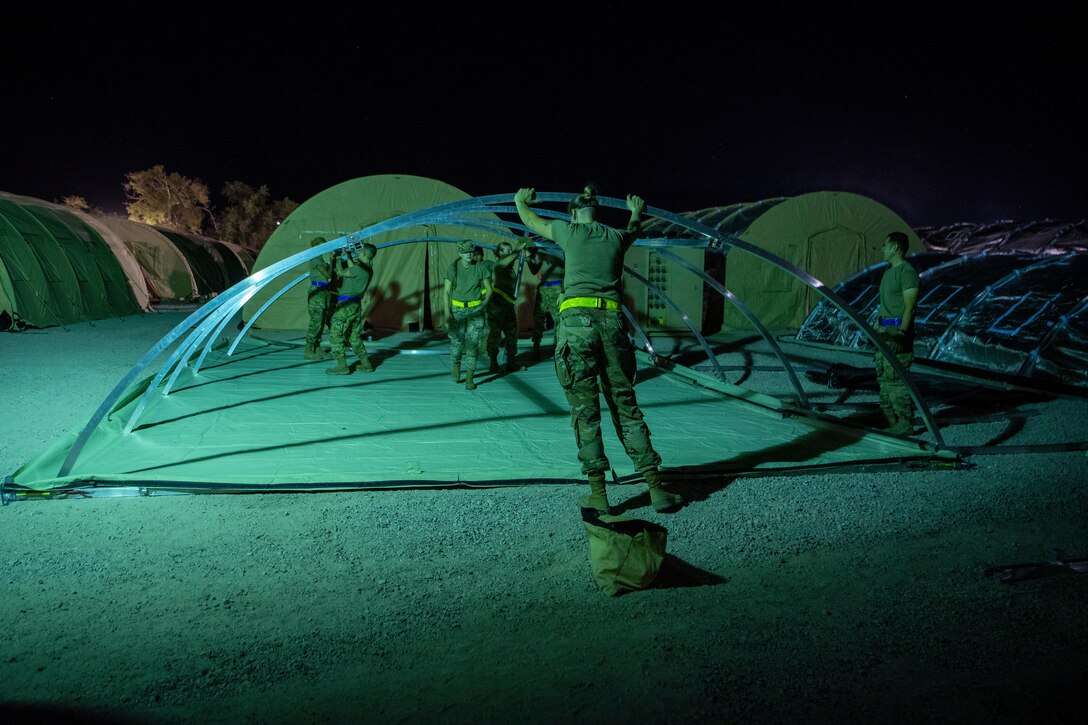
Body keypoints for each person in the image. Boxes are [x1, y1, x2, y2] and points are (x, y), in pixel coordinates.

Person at [514, 185, 682, 514]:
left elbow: (532, 222)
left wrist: (520, 201)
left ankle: (599, 494)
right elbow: (634, 228)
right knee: (625, 406)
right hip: (612, 323)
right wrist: (635, 209)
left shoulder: (568, 230)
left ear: (573, 214)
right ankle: (655, 488)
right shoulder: (617, 237)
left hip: (577, 323)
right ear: (598, 214)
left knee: (585, 412)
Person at [873, 231, 920, 435]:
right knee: (883, 375)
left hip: (895, 333)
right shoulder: (888, 272)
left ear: (895, 247)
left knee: (896, 378)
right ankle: (891, 419)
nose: (881, 249)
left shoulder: (906, 272)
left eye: (885, 245)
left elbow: (909, 307)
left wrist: (901, 334)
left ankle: (905, 422)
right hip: (883, 332)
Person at [444, 240, 494, 390]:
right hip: (457, 310)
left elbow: (489, 289)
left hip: (475, 310)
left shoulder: (480, 268)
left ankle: (470, 376)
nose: (469, 254)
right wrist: (447, 312)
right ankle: (456, 363)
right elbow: (446, 292)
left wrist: (484, 304)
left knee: (473, 345)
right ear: (460, 253)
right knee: (457, 343)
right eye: (466, 252)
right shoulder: (453, 268)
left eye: (471, 252)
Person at [326, 243, 378, 375]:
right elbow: (353, 268)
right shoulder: (367, 269)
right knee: (354, 337)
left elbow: (340, 272)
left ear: (365, 254)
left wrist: (338, 257)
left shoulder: (359, 269)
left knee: (336, 332)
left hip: (345, 305)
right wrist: (348, 255)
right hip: (355, 306)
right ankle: (366, 364)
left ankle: (342, 365)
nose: (358, 253)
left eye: (360, 252)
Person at [486, 238, 529, 373]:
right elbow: (509, 259)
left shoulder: (510, 269)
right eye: (505, 251)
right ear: (498, 254)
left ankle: (511, 363)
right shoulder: (498, 265)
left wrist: (525, 255)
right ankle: (493, 364)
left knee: (511, 333)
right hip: (497, 304)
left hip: (508, 305)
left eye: (510, 250)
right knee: (495, 334)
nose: (509, 252)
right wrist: (517, 249)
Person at [526, 243, 565, 359]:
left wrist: (563, 290)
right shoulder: (542, 249)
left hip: (557, 286)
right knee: (538, 318)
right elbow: (534, 270)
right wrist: (528, 257)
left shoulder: (561, 248)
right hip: (543, 287)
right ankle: (536, 349)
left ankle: (559, 351)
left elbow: (568, 270)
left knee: (558, 319)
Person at [304, 236, 336, 360]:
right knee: (316, 321)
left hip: (324, 291)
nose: (324, 248)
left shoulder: (320, 259)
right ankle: (308, 349)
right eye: (322, 245)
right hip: (317, 291)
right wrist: (333, 261)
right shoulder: (316, 259)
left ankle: (317, 348)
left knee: (322, 321)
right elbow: (328, 276)